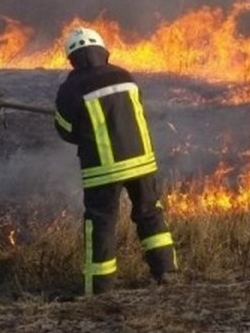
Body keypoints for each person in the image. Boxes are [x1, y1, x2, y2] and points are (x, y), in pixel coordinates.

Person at [54, 26, 176, 295]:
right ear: (102, 51)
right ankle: (166, 271)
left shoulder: (71, 88)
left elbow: (64, 129)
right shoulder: (125, 76)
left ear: (72, 58)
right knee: (149, 212)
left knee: (101, 223)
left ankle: (99, 287)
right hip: (141, 159)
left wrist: (85, 132)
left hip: (103, 167)